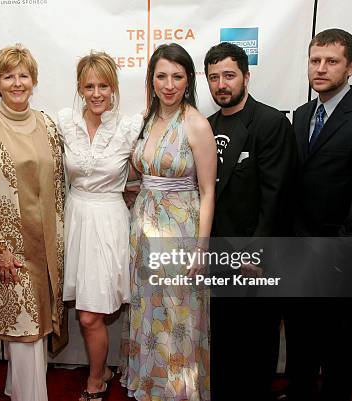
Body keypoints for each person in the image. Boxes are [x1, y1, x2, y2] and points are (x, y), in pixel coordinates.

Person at [0, 44, 67, 401]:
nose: (17, 83)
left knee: (38, 326)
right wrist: (0, 249)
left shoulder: (48, 126)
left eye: (23, 75)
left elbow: (59, 186)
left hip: (48, 247)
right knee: (26, 329)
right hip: (8, 250)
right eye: (8, 76)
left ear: (33, 81)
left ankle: (20, 389)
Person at [284, 28, 352, 401]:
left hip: (336, 254)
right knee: (298, 332)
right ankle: (299, 391)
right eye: (315, 61)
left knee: (335, 337)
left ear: (351, 67)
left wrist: (343, 256)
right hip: (295, 249)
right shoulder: (301, 114)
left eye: (332, 61)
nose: (321, 69)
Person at [121, 43, 216, 401]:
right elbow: (137, 173)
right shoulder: (147, 118)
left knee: (177, 317)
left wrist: (201, 249)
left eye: (177, 76)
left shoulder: (196, 124)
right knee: (147, 310)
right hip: (143, 230)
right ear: (152, 79)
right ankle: (151, 385)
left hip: (180, 234)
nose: (169, 84)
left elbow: (207, 192)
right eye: (161, 76)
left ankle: (178, 391)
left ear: (189, 80)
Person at [203, 42, 297, 401]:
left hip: (254, 252)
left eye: (229, 75)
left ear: (246, 76)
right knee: (223, 338)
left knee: (257, 340)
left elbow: (276, 196)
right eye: (214, 77)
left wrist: (255, 252)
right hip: (218, 251)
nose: (221, 84)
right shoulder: (206, 125)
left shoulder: (270, 122)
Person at [56, 51, 141, 401]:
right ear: (79, 88)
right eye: (89, 86)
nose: (96, 93)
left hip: (109, 223)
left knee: (91, 315)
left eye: (103, 85)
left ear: (114, 87)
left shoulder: (130, 126)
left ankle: (96, 380)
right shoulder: (63, 122)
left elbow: (153, 159)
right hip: (76, 219)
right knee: (88, 311)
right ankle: (102, 370)